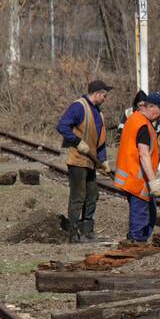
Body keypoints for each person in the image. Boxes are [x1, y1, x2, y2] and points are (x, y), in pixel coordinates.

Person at [57, 79, 111, 243]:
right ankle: (74, 234)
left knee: (93, 194)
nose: (105, 99)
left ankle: (88, 231)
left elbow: (99, 140)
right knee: (78, 196)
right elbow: (62, 126)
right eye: (104, 96)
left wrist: (104, 161)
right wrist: (78, 142)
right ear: (97, 94)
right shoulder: (79, 107)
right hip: (77, 158)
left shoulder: (98, 112)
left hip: (90, 160)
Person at [113, 91, 160, 243]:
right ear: (151, 106)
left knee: (149, 214)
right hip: (137, 179)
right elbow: (144, 155)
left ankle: (138, 243)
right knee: (140, 217)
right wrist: (153, 182)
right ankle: (135, 246)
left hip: (133, 176)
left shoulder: (135, 119)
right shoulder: (143, 125)